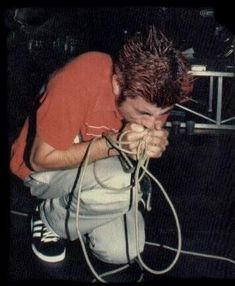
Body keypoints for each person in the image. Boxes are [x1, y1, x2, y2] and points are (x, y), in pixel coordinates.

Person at [10, 25, 193, 264]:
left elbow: (145, 133)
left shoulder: (156, 96)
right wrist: (113, 144)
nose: (154, 122)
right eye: (144, 114)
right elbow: (39, 159)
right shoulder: (79, 77)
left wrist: (148, 146)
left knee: (123, 250)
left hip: (98, 170)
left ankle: (83, 210)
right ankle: (48, 218)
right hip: (42, 171)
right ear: (118, 85)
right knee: (120, 181)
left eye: (163, 114)